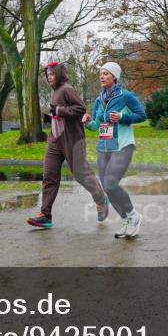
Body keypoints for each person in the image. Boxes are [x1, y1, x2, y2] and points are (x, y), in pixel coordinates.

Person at [27, 62, 108, 229]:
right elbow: (60, 112)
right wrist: (52, 117)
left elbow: (80, 109)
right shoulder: (55, 91)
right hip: (55, 140)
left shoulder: (67, 89)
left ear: (59, 74)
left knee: (80, 174)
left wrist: (59, 111)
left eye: (52, 74)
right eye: (47, 74)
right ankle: (45, 215)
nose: (49, 76)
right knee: (49, 175)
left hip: (73, 140)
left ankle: (101, 199)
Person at [82, 62, 146, 239]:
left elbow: (142, 115)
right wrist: (88, 122)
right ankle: (126, 219)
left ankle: (133, 216)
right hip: (104, 146)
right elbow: (96, 125)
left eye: (106, 73)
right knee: (107, 188)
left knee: (110, 183)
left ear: (114, 77)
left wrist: (123, 117)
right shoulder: (98, 99)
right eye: (100, 73)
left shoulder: (126, 96)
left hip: (122, 144)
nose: (101, 76)